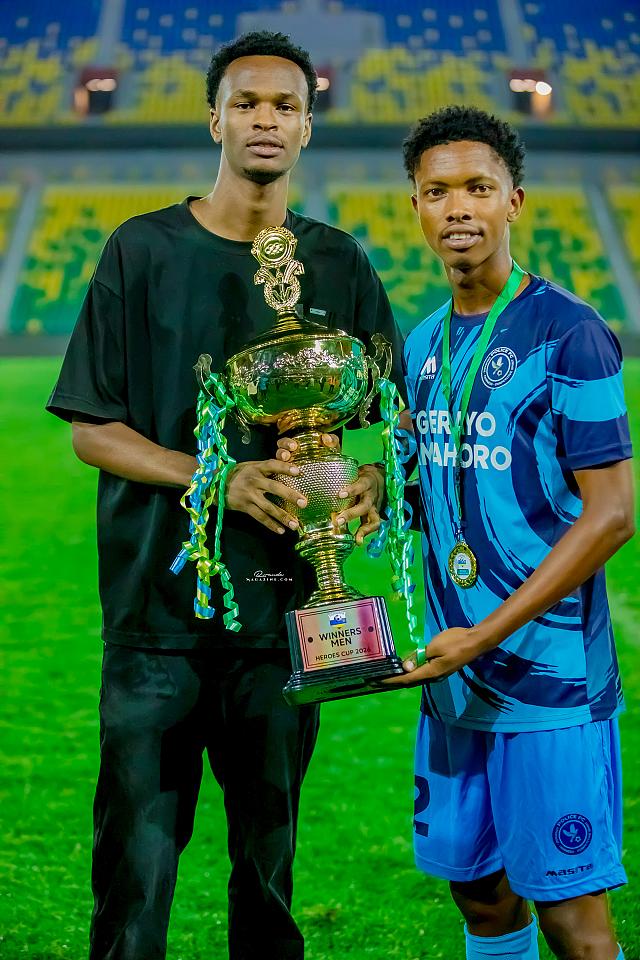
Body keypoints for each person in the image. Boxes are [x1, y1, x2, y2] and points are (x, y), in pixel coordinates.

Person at [46, 31, 403, 960]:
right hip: (155, 623)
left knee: (268, 883)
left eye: (286, 105)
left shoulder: (340, 263)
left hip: (286, 622)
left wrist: (372, 479)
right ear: (215, 119)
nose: (265, 120)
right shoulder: (141, 250)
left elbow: (394, 420)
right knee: (134, 882)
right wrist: (220, 478)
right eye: (246, 103)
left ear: (309, 127)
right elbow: (92, 428)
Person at [384, 106, 634, 960]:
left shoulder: (571, 332)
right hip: (454, 678)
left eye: (478, 188)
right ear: (416, 207)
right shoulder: (421, 343)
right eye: (437, 192)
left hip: (547, 680)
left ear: (513, 201)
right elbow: (421, 479)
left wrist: (483, 634)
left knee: (572, 917)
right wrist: (367, 494)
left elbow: (612, 514)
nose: (458, 207)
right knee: (481, 895)